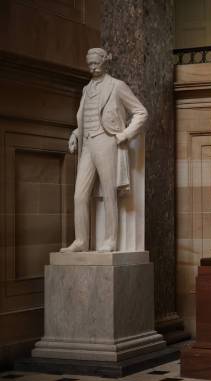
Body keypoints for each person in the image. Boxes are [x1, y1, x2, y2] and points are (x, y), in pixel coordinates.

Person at [61, 48, 148, 252]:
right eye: (89, 63)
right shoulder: (86, 89)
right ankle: (81, 241)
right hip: (88, 144)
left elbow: (141, 112)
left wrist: (124, 135)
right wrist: (75, 134)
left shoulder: (117, 86)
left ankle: (110, 240)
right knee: (79, 195)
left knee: (109, 193)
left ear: (104, 62)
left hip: (106, 141)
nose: (92, 67)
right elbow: (86, 118)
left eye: (96, 63)